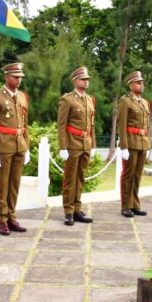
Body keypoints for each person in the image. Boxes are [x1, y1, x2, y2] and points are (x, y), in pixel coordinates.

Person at [0, 62, 31, 235]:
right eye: (15, 77)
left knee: (14, 185)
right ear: (6, 77)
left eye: (20, 77)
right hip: (3, 147)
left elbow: (25, 123)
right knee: (2, 186)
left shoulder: (22, 97)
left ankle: (12, 216)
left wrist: (26, 147)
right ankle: (2, 219)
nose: (19, 80)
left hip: (19, 145)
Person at [57, 66, 96, 226]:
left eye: (87, 80)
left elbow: (92, 124)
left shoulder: (89, 100)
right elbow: (61, 125)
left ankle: (77, 209)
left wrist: (93, 144)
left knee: (80, 178)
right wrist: (63, 147)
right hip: (72, 144)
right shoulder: (68, 99)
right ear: (75, 80)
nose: (86, 82)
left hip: (86, 144)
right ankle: (68, 211)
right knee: (70, 179)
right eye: (83, 79)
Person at [117, 70, 151, 218]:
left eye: (142, 82)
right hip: (131, 142)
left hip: (142, 143)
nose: (141, 85)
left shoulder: (144, 102)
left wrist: (148, 143)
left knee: (137, 175)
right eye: (138, 83)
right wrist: (123, 146)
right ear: (130, 85)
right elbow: (122, 124)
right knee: (128, 175)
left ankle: (135, 204)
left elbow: (147, 125)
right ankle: (126, 206)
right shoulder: (125, 101)